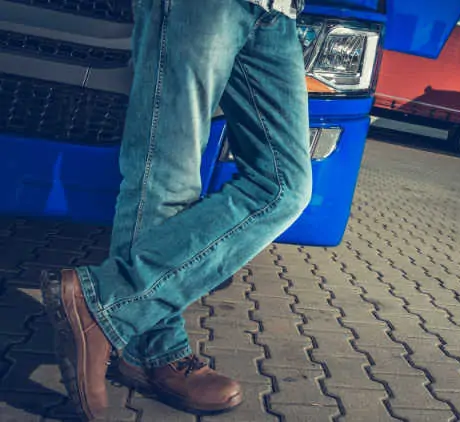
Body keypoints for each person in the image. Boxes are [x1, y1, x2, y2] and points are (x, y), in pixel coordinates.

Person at [40, 0, 310, 419]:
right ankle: (152, 351)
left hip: (281, 15)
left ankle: (107, 302)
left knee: (284, 187)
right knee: (166, 179)